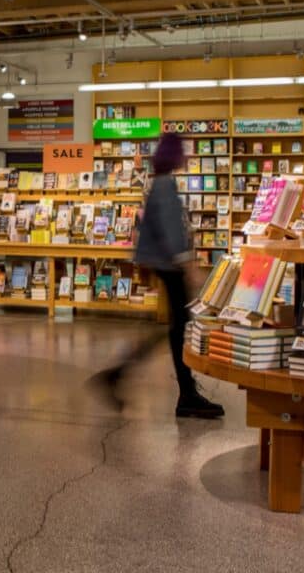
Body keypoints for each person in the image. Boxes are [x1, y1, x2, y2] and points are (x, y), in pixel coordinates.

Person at [92, 133, 224, 419]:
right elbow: (169, 229)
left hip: (165, 263)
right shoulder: (164, 185)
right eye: (183, 151)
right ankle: (184, 394)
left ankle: (127, 377)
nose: (187, 156)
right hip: (169, 264)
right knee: (179, 326)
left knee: (177, 326)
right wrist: (188, 264)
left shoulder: (162, 182)